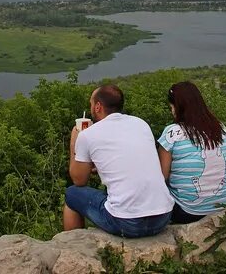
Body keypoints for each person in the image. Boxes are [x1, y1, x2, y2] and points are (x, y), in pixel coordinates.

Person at [64, 84, 174, 237]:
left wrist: (73, 144)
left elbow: (79, 180)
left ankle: (74, 246)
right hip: (162, 217)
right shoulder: (140, 124)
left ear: (97, 106)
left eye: (91, 104)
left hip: (127, 223)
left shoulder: (87, 135)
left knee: (71, 194)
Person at [157, 81, 226, 224]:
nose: (172, 111)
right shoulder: (222, 129)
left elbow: (162, 177)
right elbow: (225, 165)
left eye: (172, 107)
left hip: (186, 211)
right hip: (222, 207)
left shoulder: (172, 133)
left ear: (177, 107)